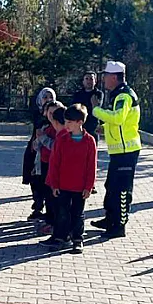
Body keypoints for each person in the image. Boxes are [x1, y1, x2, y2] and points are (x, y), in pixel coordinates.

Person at [91, 61, 142, 239]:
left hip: (126, 151)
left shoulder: (124, 96)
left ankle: (119, 226)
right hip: (119, 150)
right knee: (111, 186)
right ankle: (110, 219)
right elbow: (121, 122)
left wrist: (96, 110)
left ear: (114, 77)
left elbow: (119, 118)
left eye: (105, 76)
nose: (103, 79)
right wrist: (105, 127)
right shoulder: (117, 94)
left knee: (121, 190)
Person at [45, 104, 97, 255]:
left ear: (80, 122)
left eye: (69, 122)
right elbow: (54, 163)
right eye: (65, 121)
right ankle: (60, 237)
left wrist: (89, 186)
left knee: (77, 213)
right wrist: (54, 184)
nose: (66, 125)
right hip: (62, 185)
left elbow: (91, 166)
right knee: (62, 212)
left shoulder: (89, 141)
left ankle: (77, 239)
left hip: (80, 187)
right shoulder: (62, 139)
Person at [25, 88, 57, 221]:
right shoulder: (38, 114)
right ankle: (37, 207)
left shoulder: (57, 113)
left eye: (50, 97)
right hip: (36, 150)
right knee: (35, 180)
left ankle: (51, 213)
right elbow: (36, 132)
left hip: (50, 154)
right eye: (45, 97)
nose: (48, 100)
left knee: (48, 184)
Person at [34, 101, 65, 236]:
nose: (52, 116)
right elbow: (35, 146)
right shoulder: (46, 127)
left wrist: (44, 139)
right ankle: (49, 221)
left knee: (55, 197)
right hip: (44, 164)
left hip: (56, 167)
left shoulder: (61, 130)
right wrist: (38, 140)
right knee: (47, 194)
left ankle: (54, 224)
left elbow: (56, 147)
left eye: (55, 113)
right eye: (50, 113)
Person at [71, 72, 102, 141]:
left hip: (93, 126)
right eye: (87, 79)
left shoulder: (98, 94)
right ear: (83, 81)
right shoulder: (78, 94)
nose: (89, 81)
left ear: (95, 81)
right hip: (79, 125)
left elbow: (97, 108)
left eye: (91, 79)